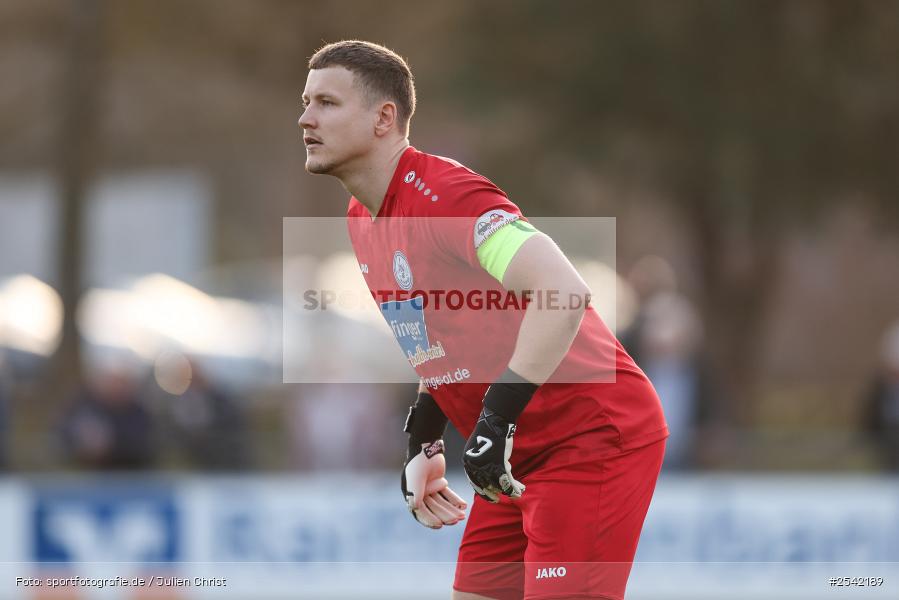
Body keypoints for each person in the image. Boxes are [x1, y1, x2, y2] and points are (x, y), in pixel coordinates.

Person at [298, 40, 668, 600]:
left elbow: (563, 292)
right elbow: (444, 335)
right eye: (305, 102)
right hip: (513, 449)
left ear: (383, 118)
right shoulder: (361, 217)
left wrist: (494, 422)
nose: (305, 118)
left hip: (590, 438)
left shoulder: (446, 196)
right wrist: (424, 434)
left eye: (326, 102)